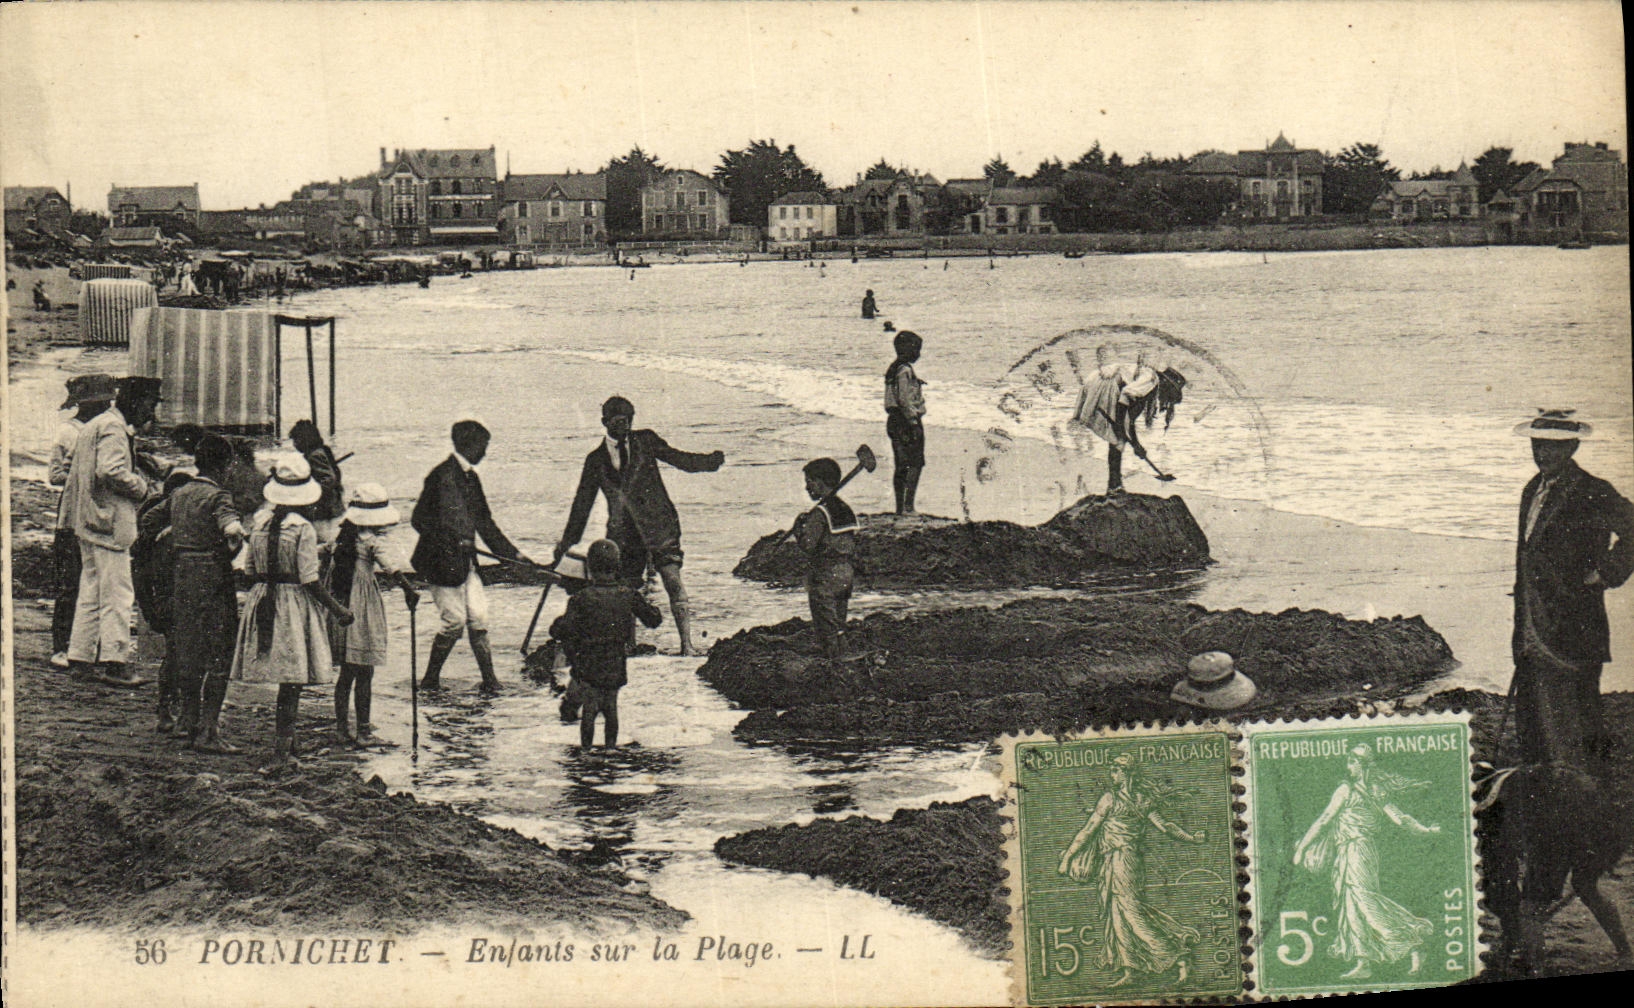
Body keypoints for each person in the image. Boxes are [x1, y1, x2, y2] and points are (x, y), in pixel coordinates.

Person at [1510, 409, 1634, 770]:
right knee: (1533, 706)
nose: (1542, 453)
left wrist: (1606, 573)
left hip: (1576, 619)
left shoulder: (1593, 491)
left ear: (1572, 447)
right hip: (1532, 620)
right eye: (1537, 444)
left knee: (1581, 710)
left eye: (1552, 446)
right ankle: (1542, 781)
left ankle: (1593, 785)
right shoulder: (1532, 489)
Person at [557, 396, 725, 656]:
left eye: (629, 420)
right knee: (627, 590)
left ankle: (687, 645)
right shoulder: (594, 460)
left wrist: (709, 462)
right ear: (605, 423)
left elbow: (678, 458)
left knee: (673, 581)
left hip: (660, 527)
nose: (625, 426)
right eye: (618, 421)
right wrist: (566, 544)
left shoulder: (646, 440)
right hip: (623, 536)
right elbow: (582, 505)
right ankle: (628, 647)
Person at [229, 454, 353, 769]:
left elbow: (250, 570)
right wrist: (338, 609)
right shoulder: (304, 529)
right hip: (292, 603)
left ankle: (289, 741)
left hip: (263, 598)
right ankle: (284, 748)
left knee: (286, 674)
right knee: (293, 678)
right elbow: (310, 580)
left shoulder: (259, 524)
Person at [1057, 753, 1206, 987]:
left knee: (1131, 913)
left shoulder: (1111, 799)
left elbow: (1088, 831)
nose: (1112, 775)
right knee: (1118, 913)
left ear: (1126, 773)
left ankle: (1179, 956)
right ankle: (1131, 969)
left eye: (1115, 770)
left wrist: (1067, 857)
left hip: (1123, 861)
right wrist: (1191, 838)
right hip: (1117, 860)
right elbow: (1165, 827)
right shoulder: (1141, 800)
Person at [1293, 745, 1439, 980]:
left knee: (1364, 900)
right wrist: (1426, 830)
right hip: (1348, 851)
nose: (1348, 766)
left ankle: (1413, 941)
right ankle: (1364, 962)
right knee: (1351, 905)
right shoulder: (1374, 790)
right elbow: (1400, 819)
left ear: (1361, 765)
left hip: (1358, 849)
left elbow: (1324, 820)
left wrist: (1301, 848)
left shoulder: (1348, 790)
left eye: (1351, 762)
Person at [411, 418, 532, 691]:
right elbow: (419, 520)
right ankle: (430, 680)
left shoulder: (470, 478)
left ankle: (489, 681)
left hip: (465, 564)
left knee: (478, 619)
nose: (485, 453)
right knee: (454, 623)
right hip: (441, 563)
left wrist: (513, 556)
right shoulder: (440, 476)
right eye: (483, 446)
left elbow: (485, 523)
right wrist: (450, 541)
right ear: (468, 445)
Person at [147, 437, 245, 750]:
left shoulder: (180, 493)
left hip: (181, 574)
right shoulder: (219, 496)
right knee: (219, 652)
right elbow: (232, 531)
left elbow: (148, 520)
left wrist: (177, 539)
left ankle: (186, 722)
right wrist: (233, 548)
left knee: (188, 649)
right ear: (225, 465)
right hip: (212, 575)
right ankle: (208, 732)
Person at [60, 374, 154, 687]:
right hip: (108, 522)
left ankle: (80, 657)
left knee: (91, 591)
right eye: (150, 405)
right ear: (138, 402)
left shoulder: (96, 424)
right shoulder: (113, 427)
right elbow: (111, 471)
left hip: (88, 520)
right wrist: (143, 489)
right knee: (118, 594)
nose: (151, 414)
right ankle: (116, 662)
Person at [550, 540, 662, 748]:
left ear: (589, 567)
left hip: (588, 663)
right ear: (618, 566)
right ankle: (610, 752)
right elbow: (654, 620)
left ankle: (586, 752)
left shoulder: (581, 598)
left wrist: (558, 625)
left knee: (590, 710)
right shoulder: (627, 594)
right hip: (615, 661)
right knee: (611, 708)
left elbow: (561, 630)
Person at [328, 484, 417, 747]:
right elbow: (392, 568)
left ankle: (343, 729)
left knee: (346, 672)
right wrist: (409, 590)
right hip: (363, 608)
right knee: (365, 671)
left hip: (341, 605)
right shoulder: (371, 540)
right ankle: (364, 731)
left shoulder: (341, 538)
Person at [134, 471, 191, 731]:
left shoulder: (150, 528)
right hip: (172, 598)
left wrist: (148, 609)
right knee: (178, 654)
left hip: (161, 599)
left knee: (174, 653)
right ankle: (169, 707)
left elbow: (141, 578)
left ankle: (167, 707)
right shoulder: (165, 535)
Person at [47, 376, 98, 667]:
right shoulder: (68, 432)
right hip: (70, 518)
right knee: (70, 584)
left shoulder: (103, 430)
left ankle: (86, 647)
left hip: (93, 518)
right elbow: (54, 475)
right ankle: (61, 646)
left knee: (92, 584)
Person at [796, 457, 858, 668]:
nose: (806, 487)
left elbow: (808, 545)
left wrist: (799, 529)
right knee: (839, 621)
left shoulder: (819, 513)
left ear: (821, 482)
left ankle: (836, 665)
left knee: (826, 622)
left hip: (826, 573)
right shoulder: (844, 508)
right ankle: (843, 656)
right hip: (846, 572)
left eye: (810, 481)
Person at [883, 330, 927, 515]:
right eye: (916, 349)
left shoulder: (894, 369)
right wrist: (913, 422)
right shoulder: (905, 370)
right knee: (915, 463)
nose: (918, 353)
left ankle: (900, 507)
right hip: (906, 421)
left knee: (900, 464)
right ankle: (909, 506)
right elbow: (904, 399)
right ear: (907, 350)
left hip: (894, 421)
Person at [289, 419, 344, 544]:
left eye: (296, 440)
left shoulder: (315, 455)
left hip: (325, 511)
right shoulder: (322, 451)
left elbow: (328, 480)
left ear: (305, 440)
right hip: (331, 508)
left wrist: (307, 491)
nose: (294, 444)